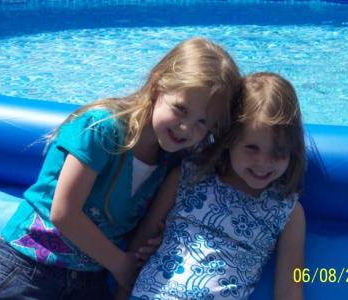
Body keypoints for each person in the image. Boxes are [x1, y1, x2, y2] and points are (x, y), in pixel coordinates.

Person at [0, 37, 241, 300]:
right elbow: (63, 213)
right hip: (30, 266)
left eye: (202, 122)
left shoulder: (171, 160)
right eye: (180, 109)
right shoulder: (102, 129)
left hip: (88, 278)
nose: (186, 128)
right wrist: (121, 264)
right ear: (156, 86)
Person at [127, 72, 306, 300]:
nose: (263, 163)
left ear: (293, 151)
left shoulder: (287, 211)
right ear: (229, 139)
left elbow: (289, 289)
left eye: (278, 152)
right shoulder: (189, 176)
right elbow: (141, 242)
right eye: (251, 147)